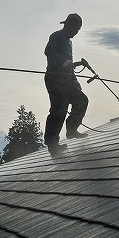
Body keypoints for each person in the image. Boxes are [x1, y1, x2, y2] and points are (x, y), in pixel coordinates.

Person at [43, 13, 89, 156]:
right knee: (59, 109)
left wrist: (74, 80)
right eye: (77, 29)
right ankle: (52, 144)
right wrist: (64, 62)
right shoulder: (56, 36)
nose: (77, 32)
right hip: (54, 78)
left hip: (66, 79)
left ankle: (71, 130)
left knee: (81, 100)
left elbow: (69, 63)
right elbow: (48, 52)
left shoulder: (69, 42)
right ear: (69, 25)